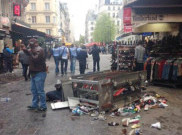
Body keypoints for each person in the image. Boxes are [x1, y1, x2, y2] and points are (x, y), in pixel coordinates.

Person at [26, 38, 47, 112]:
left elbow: (36, 59)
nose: (30, 45)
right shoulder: (32, 50)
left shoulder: (39, 49)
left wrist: (30, 51)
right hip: (34, 73)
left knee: (40, 91)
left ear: (35, 43)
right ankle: (34, 104)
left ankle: (43, 106)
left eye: (31, 44)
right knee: (34, 90)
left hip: (39, 72)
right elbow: (31, 60)